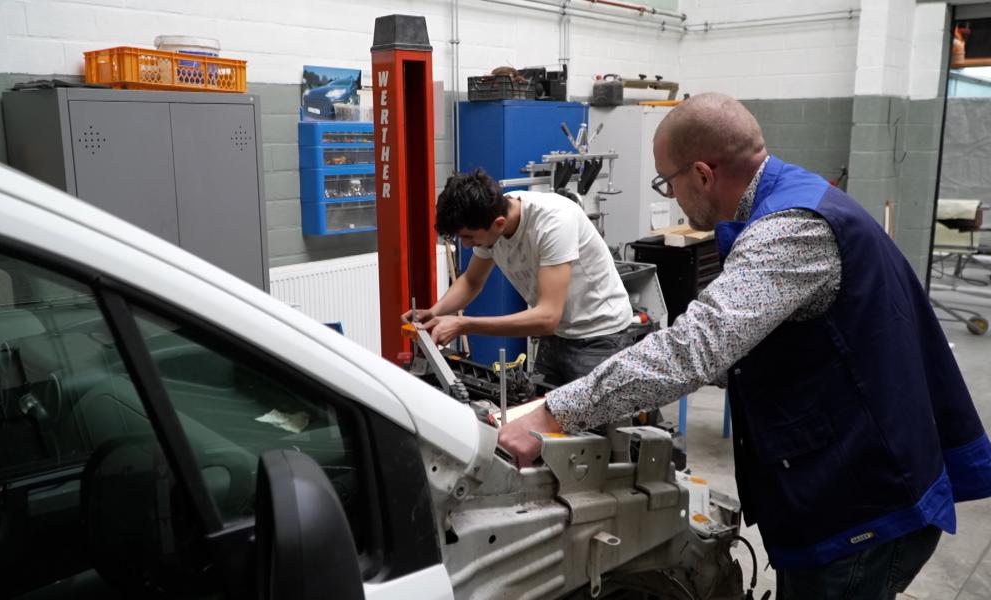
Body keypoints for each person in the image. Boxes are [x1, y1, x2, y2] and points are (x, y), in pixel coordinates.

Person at [497, 93, 991, 599]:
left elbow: (694, 350)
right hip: (847, 477)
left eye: (667, 181)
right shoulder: (793, 200)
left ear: (704, 175)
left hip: (863, 502)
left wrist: (550, 415)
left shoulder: (791, 230)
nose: (670, 195)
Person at [404, 169, 631, 385]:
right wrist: (434, 312)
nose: (465, 244)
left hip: (600, 336)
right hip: (557, 335)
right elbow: (471, 281)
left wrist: (463, 324)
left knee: (592, 425)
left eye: (468, 237)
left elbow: (547, 317)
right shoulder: (491, 217)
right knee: (541, 414)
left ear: (499, 224)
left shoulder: (553, 222)